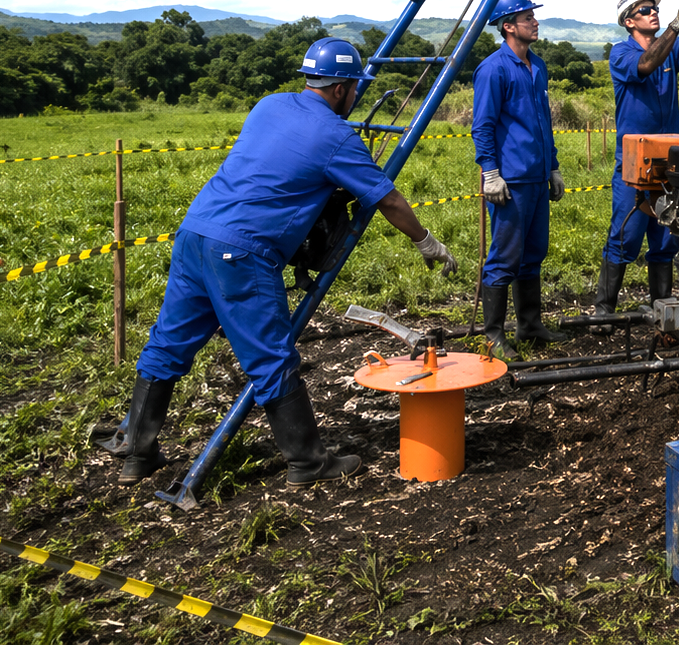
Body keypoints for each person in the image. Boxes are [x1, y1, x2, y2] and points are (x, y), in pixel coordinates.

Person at [112, 38, 458, 489]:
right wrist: (426, 241)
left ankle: (136, 453)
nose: (357, 97)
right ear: (342, 89)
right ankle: (307, 461)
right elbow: (388, 199)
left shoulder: (269, 105)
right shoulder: (336, 138)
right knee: (271, 356)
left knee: (169, 343)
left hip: (196, 232)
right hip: (242, 251)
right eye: (356, 88)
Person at [595, 0, 679, 323]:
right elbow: (646, 64)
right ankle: (604, 309)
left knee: (665, 237)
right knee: (625, 234)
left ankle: (663, 307)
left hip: (670, 163)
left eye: (654, 8)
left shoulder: (670, 51)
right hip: (634, 164)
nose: (652, 13)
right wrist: (675, 25)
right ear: (629, 21)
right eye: (644, 10)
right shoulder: (621, 53)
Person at [472, 0, 566, 360]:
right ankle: (493, 335)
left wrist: (553, 166)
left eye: (533, 16)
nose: (535, 22)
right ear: (509, 26)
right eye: (528, 18)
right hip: (510, 180)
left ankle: (529, 324)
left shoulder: (537, 65)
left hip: (537, 176)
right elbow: (483, 125)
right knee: (505, 257)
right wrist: (490, 172)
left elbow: (544, 121)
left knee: (534, 252)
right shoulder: (493, 70)